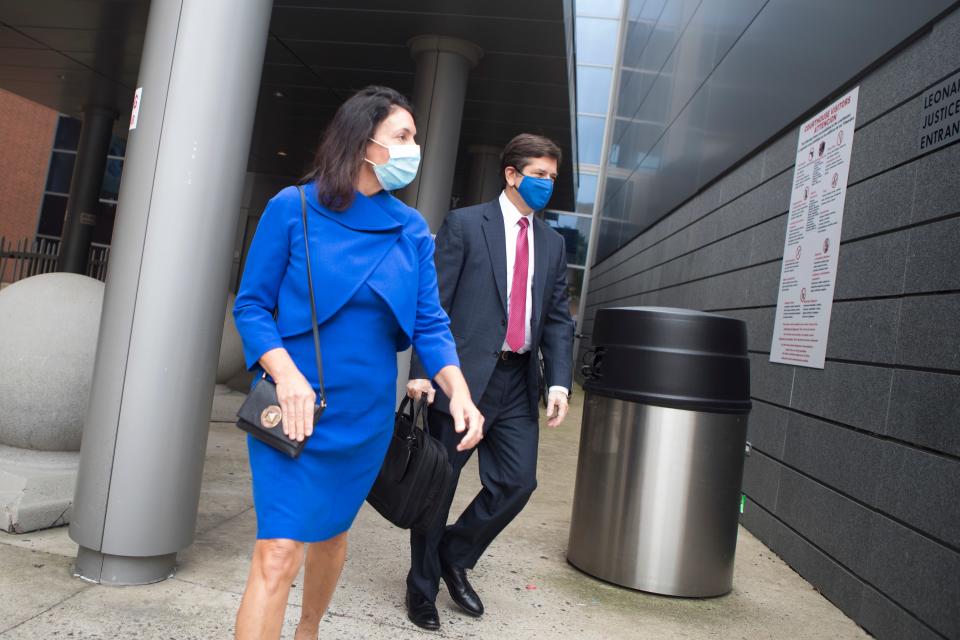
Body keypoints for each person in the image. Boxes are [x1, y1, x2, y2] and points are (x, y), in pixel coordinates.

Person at [232, 85, 484, 640]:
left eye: (414, 137)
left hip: (365, 416)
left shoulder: (411, 229)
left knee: (330, 537)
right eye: (403, 136)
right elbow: (251, 306)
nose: (414, 147)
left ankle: (308, 630)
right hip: (292, 407)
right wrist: (287, 374)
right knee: (277, 551)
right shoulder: (292, 207)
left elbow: (429, 321)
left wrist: (459, 391)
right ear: (363, 142)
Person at [404, 133, 576, 630]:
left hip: (518, 381)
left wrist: (559, 383)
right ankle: (421, 590)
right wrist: (422, 374)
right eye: (539, 175)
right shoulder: (464, 225)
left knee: (518, 483)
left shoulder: (553, 242)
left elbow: (559, 320)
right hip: (462, 380)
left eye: (552, 178)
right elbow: (431, 307)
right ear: (511, 174)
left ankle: (453, 555)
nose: (547, 184)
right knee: (439, 487)